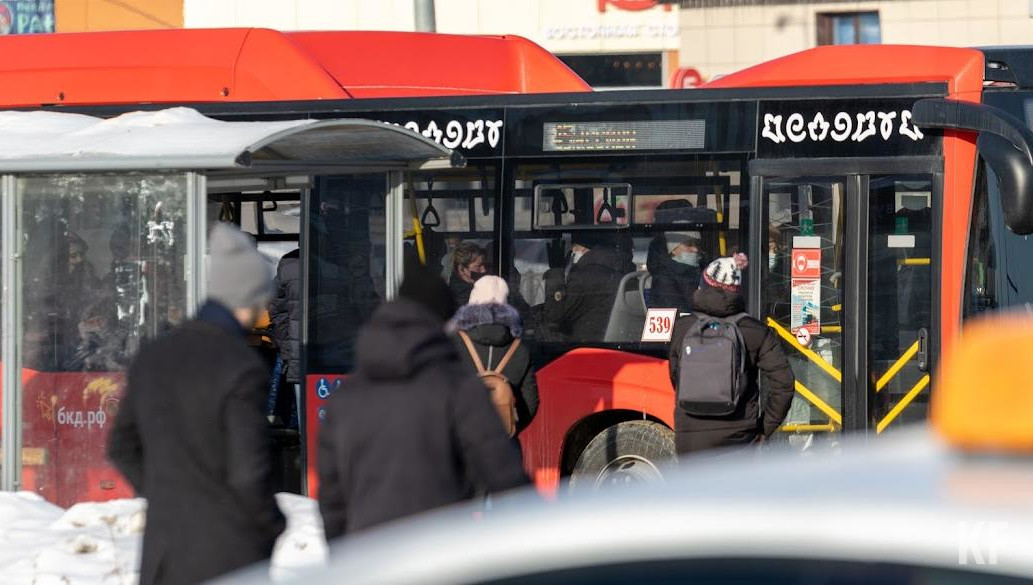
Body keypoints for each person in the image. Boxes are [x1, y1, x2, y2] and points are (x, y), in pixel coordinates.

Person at [107, 224, 285, 585]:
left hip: (164, 554)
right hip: (228, 553)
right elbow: (249, 472)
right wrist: (272, 525)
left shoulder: (154, 354)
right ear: (250, 297)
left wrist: (165, 494)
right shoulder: (240, 365)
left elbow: (121, 446)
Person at [318, 264, 530, 539]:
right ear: (443, 321)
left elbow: (332, 496)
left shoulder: (345, 397)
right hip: (437, 552)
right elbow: (504, 475)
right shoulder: (459, 389)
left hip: (367, 555)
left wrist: (342, 558)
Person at [668, 254, 796, 455]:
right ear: (737, 290)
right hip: (740, 439)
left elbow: (676, 377)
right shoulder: (757, 331)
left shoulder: (682, 328)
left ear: (703, 285)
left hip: (690, 439)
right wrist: (764, 428)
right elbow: (784, 384)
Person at [451, 275, 539, 436]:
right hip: (503, 446)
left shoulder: (454, 343)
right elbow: (530, 402)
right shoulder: (519, 348)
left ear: (473, 300)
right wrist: (511, 427)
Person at [543, 233, 634, 341]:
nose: (572, 251)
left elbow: (554, 315)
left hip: (584, 347)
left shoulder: (586, 276)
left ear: (590, 248)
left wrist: (556, 271)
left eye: (576, 247)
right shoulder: (624, 273)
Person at [268, 248, 301, 426]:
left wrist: (287, 346)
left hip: (298, 354)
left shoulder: (288, 264)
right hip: (334, 353)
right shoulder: (339, 260)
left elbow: (276, 309)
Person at [647, 231, 704, 314]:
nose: (696, 249)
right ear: (673, 249)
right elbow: (676, 312)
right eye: (689, 244)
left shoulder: (697, 272)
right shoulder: (663, 279)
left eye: (697, 244)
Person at [449, 241, 488, 305]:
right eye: (478, 266)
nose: (484, 270)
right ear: (462, 269)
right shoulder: (465, 296)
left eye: (484, 265)